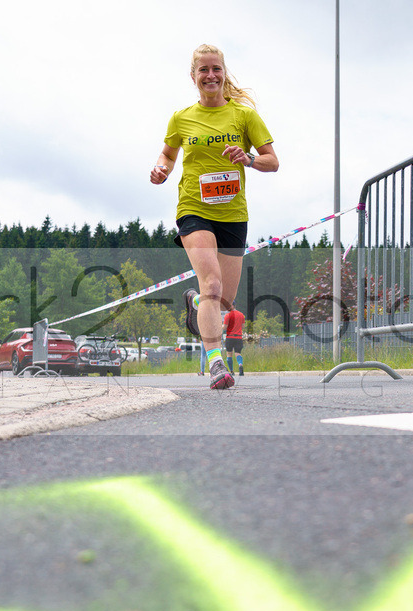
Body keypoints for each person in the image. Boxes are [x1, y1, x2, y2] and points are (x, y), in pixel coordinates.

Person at [150, 44, 278, 390]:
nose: (211, 76)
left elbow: (273, 161)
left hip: (233, 214)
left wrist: (248, 159)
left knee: (222, 299)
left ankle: (195, 304)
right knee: (213, 284)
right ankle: (215, 362)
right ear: (194, 77)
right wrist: (162, 169)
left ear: (224, 73)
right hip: (194, 208)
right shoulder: (181, 118)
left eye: (216, 69)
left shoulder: (244, 116)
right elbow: (167, 153)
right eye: (203, 70)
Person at [223, 307, 245, 376]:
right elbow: (243, 326)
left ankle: (232, 371)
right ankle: (240, 364)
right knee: (238, 353)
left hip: (230, 337)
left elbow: (225, 327)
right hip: (238, 337)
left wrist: (221, 326)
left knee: (229, 354)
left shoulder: (228, 315)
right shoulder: (241, 315)